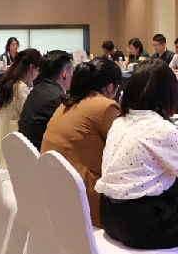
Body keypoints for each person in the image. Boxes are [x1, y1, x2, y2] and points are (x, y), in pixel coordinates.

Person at [96, 59, 178, 253]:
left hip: (107, 214)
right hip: (139, 223)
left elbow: (149, 147)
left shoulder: (120, 121)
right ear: (167, 94)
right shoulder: (162, 128)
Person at [41, 57, 122, 228]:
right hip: (84, 198)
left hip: (53, 192)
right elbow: (127, 147)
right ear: (110, 87)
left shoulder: (67, 103)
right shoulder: (105, 106)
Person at [0, 48, 43, 168]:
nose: (38, 75)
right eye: (38, 70)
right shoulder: (20, 88)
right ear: (31, 67)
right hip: (11, 156)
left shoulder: (5, 83)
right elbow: (29, 117)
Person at [19, 50, 74, 151]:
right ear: (65, 74)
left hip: (25, 153)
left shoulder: (36, 90)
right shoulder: (58, 99)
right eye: (72, 71)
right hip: (43, 155)